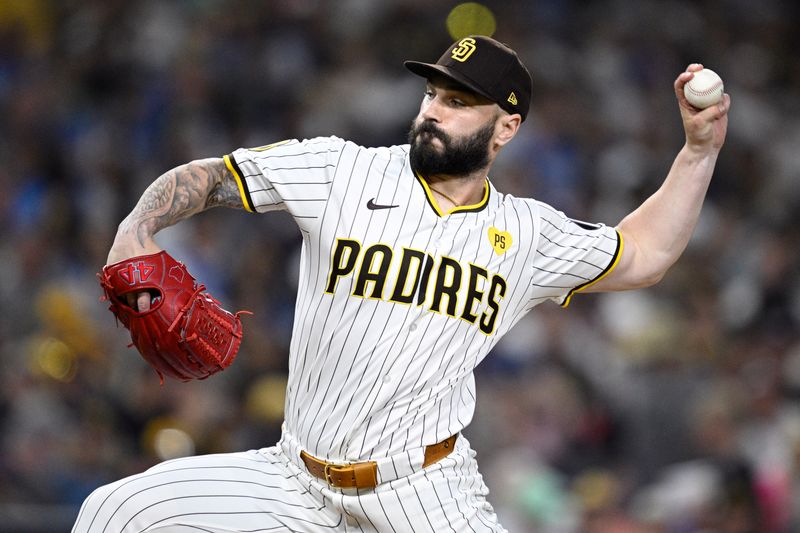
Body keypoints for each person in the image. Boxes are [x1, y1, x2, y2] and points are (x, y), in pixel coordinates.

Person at [73, 35, 730, 532]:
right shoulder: (342, 171)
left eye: (458, 101)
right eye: (433, 94)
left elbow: (645, 253)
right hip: (294, 479)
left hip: (425, 494)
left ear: (507, 127)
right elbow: (213, 175)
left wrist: (697, 153)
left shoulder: (528, 234)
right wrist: (139, 224)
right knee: (113, 512)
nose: (435, 111)